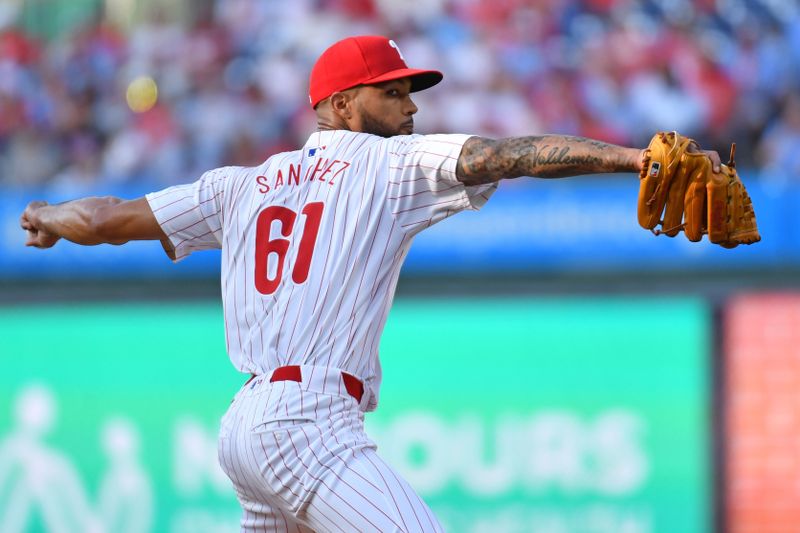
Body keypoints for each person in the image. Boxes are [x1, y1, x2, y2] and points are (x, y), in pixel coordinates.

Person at [20, 35, 722, 532]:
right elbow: (510, 155)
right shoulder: (387, 167)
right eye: (394, 93)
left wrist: (50, 216)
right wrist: (636, 159)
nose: (411, 107)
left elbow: (110, 219)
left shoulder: (240, 186)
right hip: (305, 422)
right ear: (344, 104)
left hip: (244, 428)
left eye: (409, 93)